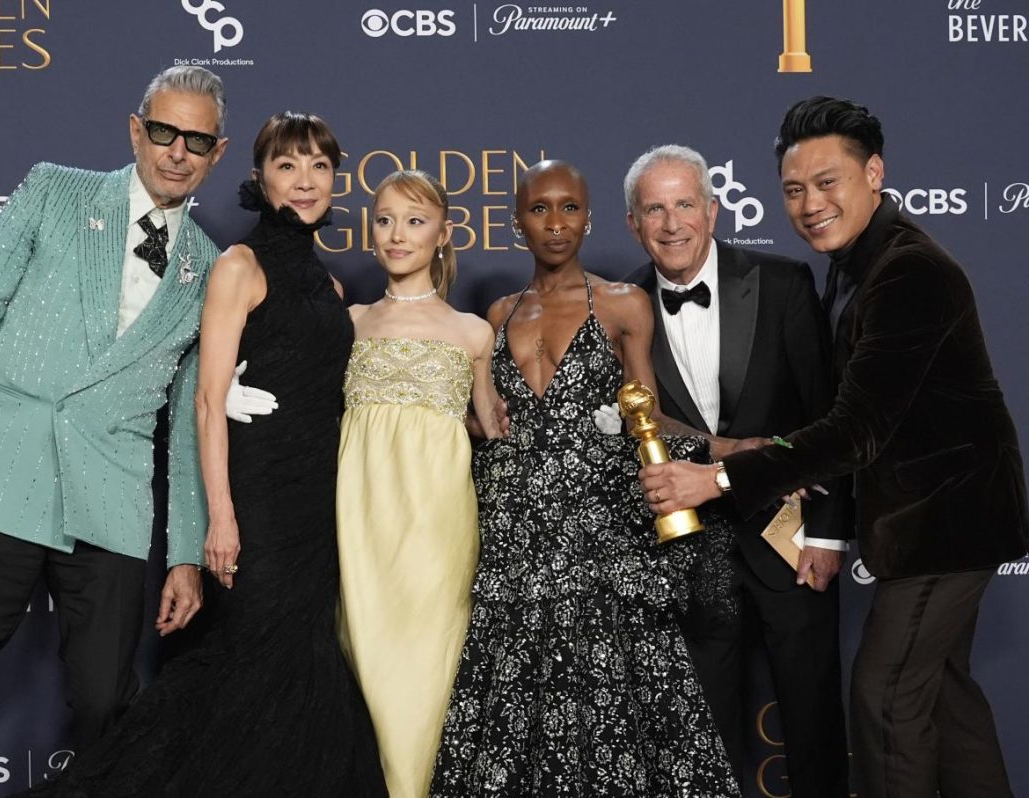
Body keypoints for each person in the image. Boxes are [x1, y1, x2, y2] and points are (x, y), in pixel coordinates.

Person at [640, 97, 1029, 798]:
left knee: (883, 699)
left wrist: (719, 478)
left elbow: (854, 430)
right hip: (936, 522)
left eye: (828, 183)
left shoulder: (908, 271)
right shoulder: (855, 263)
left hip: (944, 523)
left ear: (873, 174)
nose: (810, 204)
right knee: (946, 701)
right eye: (794, 190)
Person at [0, 66, 248, 798]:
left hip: (107, 501)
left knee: (110, 705)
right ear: (136, 130)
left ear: (219, 151)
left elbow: (191, 416)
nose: (177, 151)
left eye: (196, 141)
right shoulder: (54, 189)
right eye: (164, 132)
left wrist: (182, 553)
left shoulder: (213, 269)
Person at [14, 111, 387, 797]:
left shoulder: (332, 289)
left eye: (318, 167)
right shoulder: (238, 268)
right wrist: (221, 517)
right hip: (257, 505)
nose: (304, 181)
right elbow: (208, 401)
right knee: (246, 663)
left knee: (298, 668)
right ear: (259, 178)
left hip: (317, 509)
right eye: (286, 166)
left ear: (336, 178)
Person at [430, 160, 738, 797]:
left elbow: (648, 426)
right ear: (517, 222)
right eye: (539, 208)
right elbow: (478, 420)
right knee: (511, 717)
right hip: (513, 541)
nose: (555, 222)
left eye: (569, 208)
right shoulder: (495, 314)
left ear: (589, 218)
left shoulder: (625, 304)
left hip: (599, 538)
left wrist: (736, 451)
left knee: (616, 719)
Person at [623, 144, 849, 795]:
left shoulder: (781, 284)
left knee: (812, 726)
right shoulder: (619, 307)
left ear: (713, 210)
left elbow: (827, 416)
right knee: (702, 740)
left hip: (790, 536)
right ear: (634, 224)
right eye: (654, 210)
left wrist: (830, 534)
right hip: (687, 550)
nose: (672, 224)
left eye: (685, 204)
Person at [336, 170, 503, 797]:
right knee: (365, 662)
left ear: (443, 234)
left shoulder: (472, 332)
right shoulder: (347, 323)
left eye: (414, 220)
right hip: (359, 521)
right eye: (384, 219)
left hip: (438, 526)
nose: (396, 234)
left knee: (427, 672)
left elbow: (491, 428)